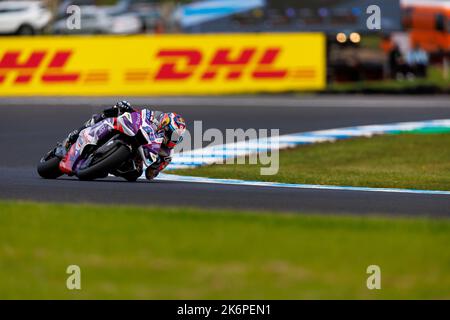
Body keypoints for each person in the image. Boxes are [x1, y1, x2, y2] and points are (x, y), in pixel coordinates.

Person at [62, 101, 186, 180]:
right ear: (165, 125)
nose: (173, 139)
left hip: (134, 156)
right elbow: (139, 115)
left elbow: (150, 175)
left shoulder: (167, 155)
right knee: (113, 112)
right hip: (130, 131)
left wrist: (154, 167)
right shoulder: (152, 116)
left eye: (177, 138)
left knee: (135, 174)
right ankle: (77, 134)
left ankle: (106, 166)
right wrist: (127, 108)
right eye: (173, 135)